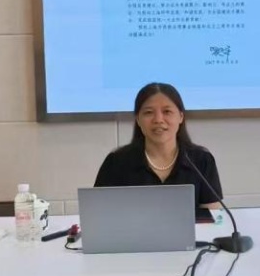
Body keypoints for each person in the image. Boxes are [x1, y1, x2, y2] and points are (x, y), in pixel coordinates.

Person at [94, 82, 223, 211]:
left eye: (167, 111)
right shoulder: (116, 162)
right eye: (149, 112)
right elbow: (98, 212)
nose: (158, 119)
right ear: (138, 119)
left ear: (180, 117)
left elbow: (214, 216)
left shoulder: (201, 160)